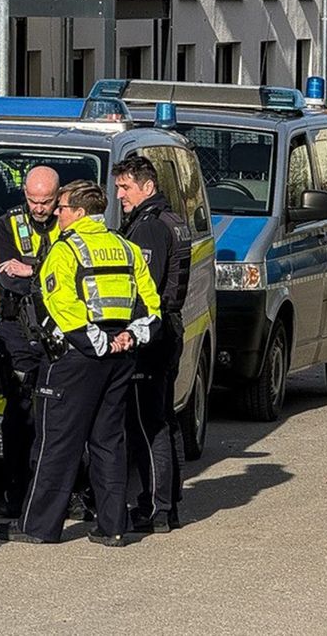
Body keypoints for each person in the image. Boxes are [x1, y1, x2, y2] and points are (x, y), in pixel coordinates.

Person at [0, 180, 161, 547]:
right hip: (120, 357)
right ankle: (112, 525)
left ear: (80, 213)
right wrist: (128, 337)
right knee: (108, 441)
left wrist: (97, 342)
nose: (57, 212)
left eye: (63, 208)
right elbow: (151, 307)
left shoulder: (65, 250)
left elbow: (61, 306)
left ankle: (38, 527)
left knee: (57, 441)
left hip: (77, 356)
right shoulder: (127, 248)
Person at [113, 154, 192, 533]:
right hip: (168, 330)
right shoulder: (170, 219)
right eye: (117, 187)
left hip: (152, 335)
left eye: (125, 187)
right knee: (163, 419)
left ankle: (155, 506)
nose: (119, 194)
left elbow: (145, 291)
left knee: (148, 424)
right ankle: (167, 501)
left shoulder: (149, 229)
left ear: (147, 187)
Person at [0, 165, 60, 519]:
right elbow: (9, 281)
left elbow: (73, 276)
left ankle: (63, 494)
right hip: (18, 329)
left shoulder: (68, 220)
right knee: (18, 417)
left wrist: (32, 268)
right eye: (33, 200)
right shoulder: (9, 224)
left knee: (59, 416)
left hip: (60, 329)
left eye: (46, 201)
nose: (39, 207)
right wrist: (48, 272)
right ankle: (15, 493)